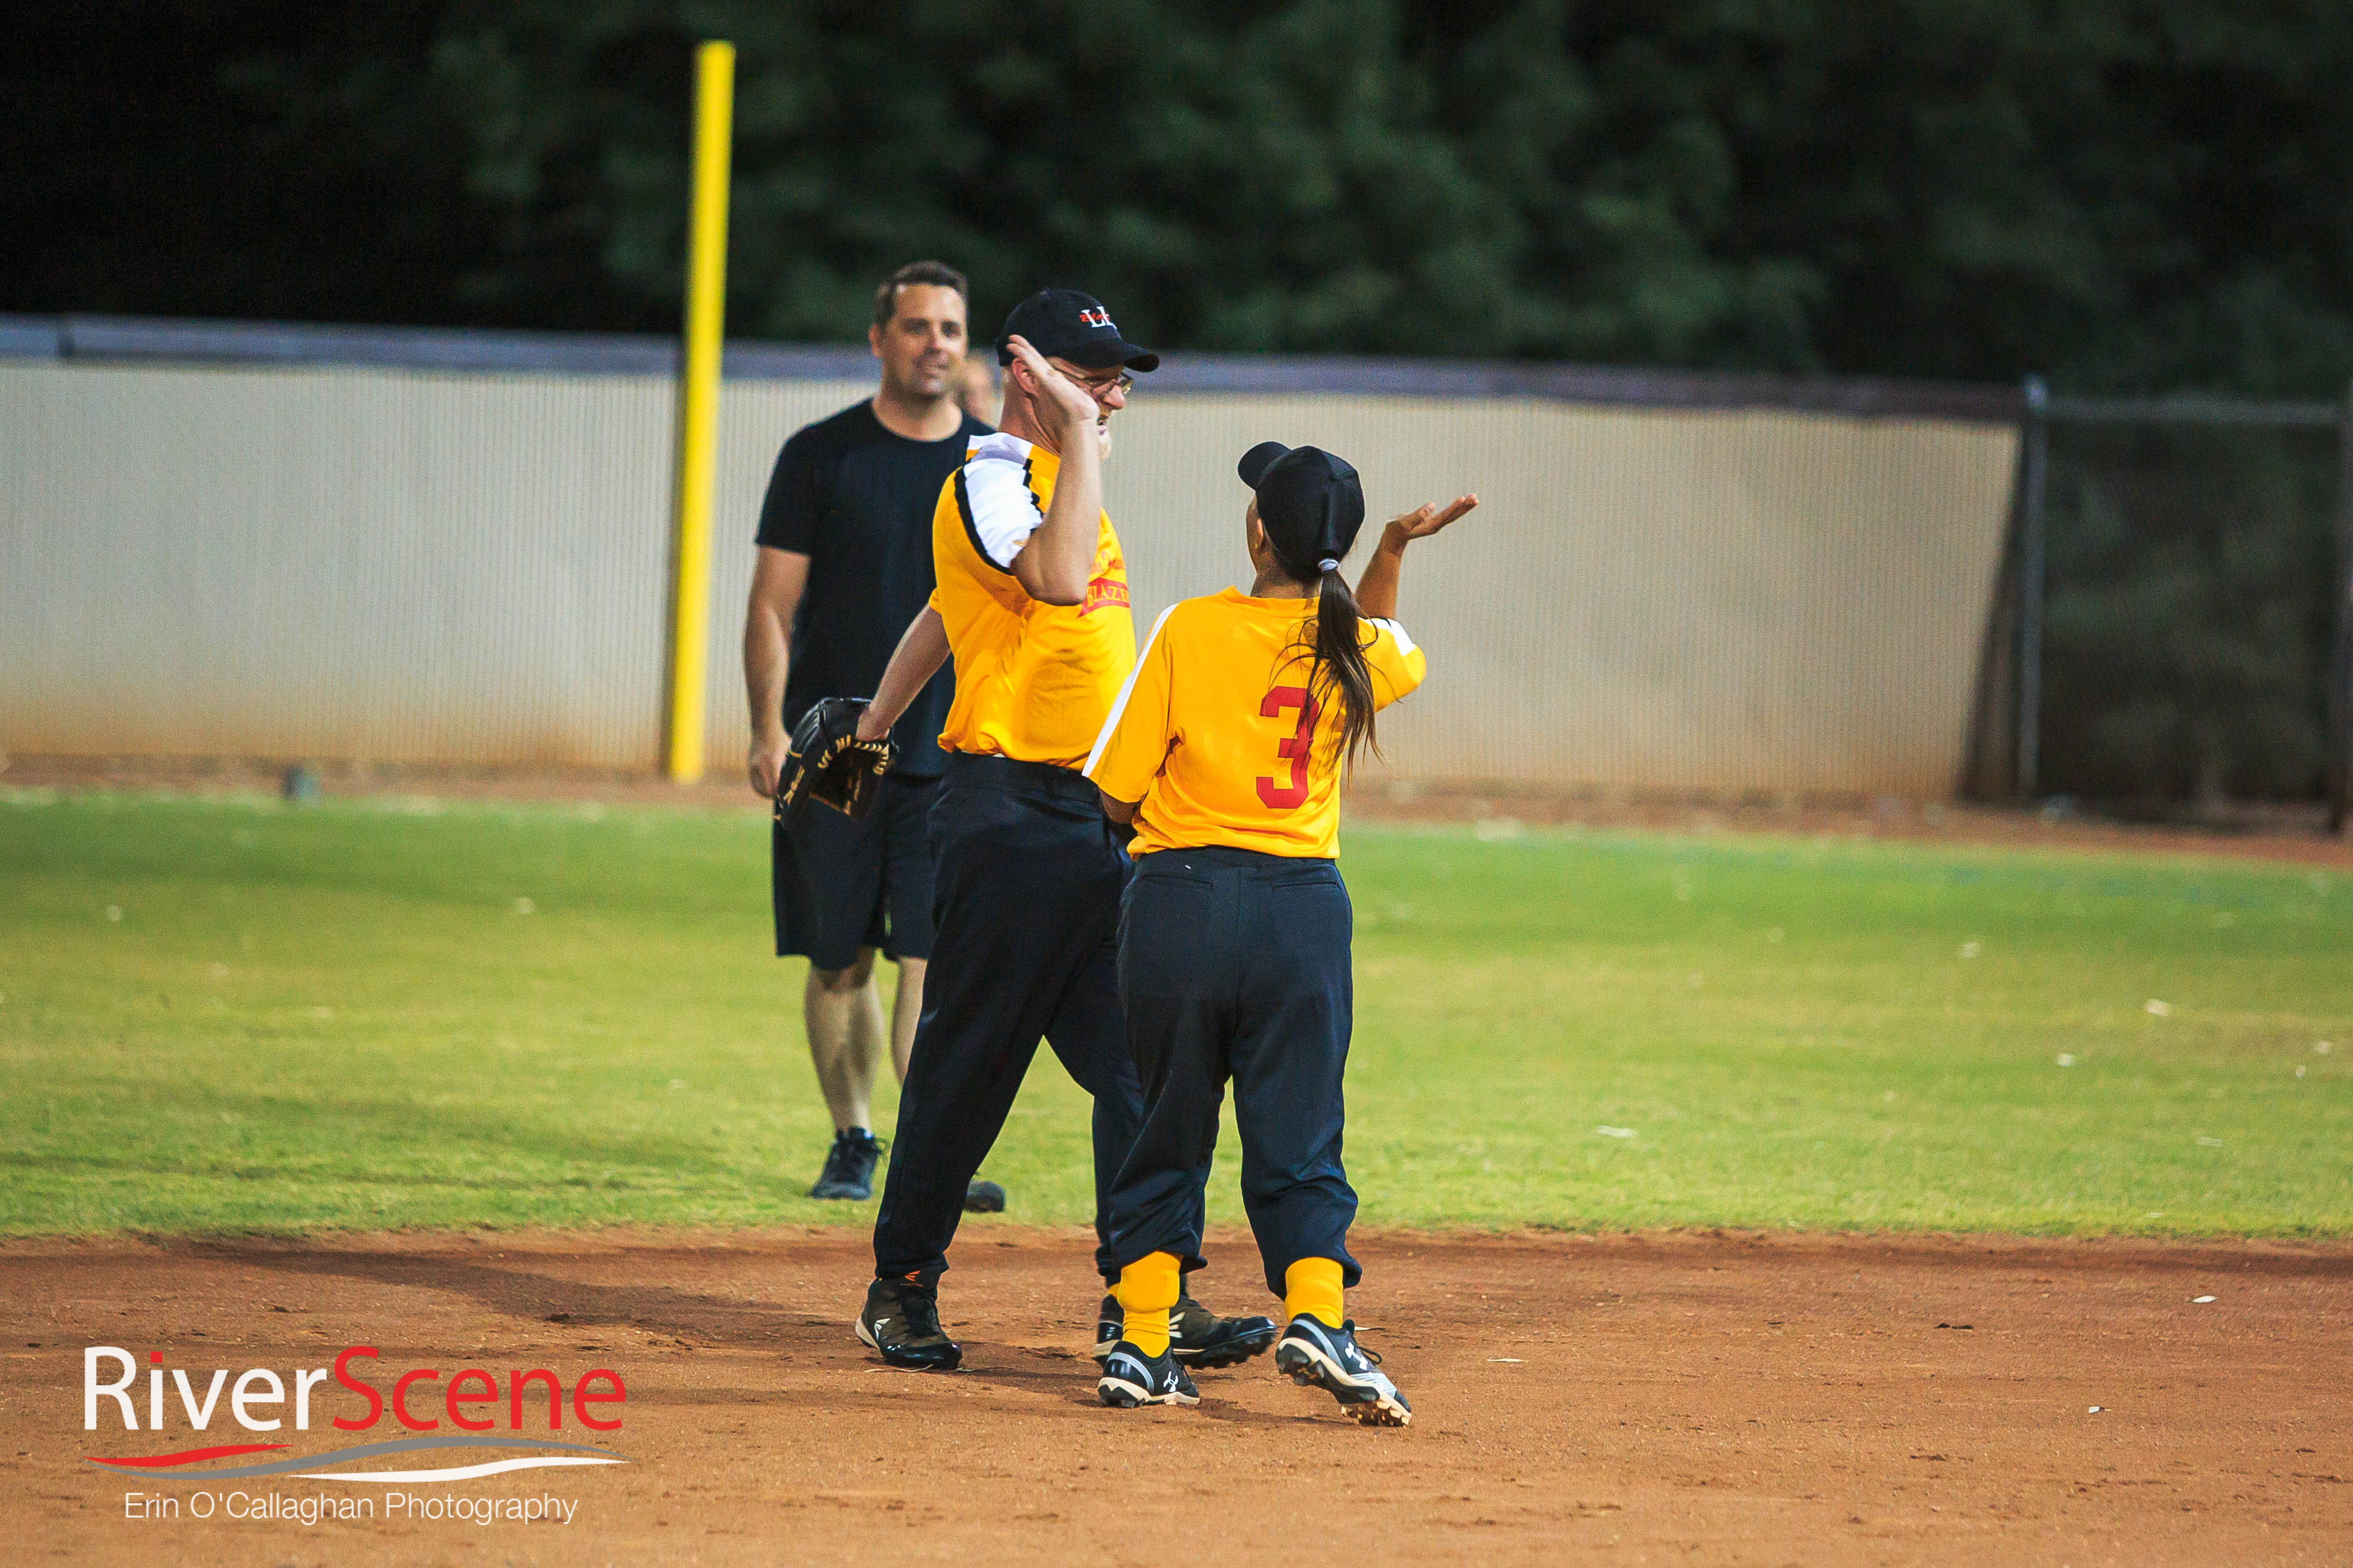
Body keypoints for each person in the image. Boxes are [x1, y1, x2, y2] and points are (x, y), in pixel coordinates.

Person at [846, 289, 1275, 1372]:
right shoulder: (993, 477)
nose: (1117, 391)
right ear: (1029, 375)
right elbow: (1054, 578)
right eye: (1094, 373)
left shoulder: (1063, 481)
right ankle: (899, 1286)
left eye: (1119, 374)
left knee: (1147, 1064)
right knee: (969, 1061)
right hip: (1006, 815)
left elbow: (950, 610)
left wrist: (875, 722)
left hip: (1097, 815)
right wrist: (1077, 436)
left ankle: (1149, 1292)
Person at [1083, 441, 1475, 1419]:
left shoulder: (1189, 626)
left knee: (1165, 1125)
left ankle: (1139, 1344)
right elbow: (1380, 632)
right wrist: (1390, 548)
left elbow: (1115, 793)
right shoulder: (1360, 645)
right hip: (1303, 911)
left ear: (1259, 528)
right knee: (1299, 1131)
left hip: (1181, 896)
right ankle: (1317, 1316)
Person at [743, 259, 999, 1208]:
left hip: (953, 753)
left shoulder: (994, 466)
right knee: (838, 955)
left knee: (931, 959)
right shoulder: (821, 456)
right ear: (879, 340)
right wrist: (767, 727)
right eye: (918, 326)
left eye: (951, 328)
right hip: (835, 748)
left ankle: (930, 1152)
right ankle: (853, 1137)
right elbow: (772, 606)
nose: (937, 343)